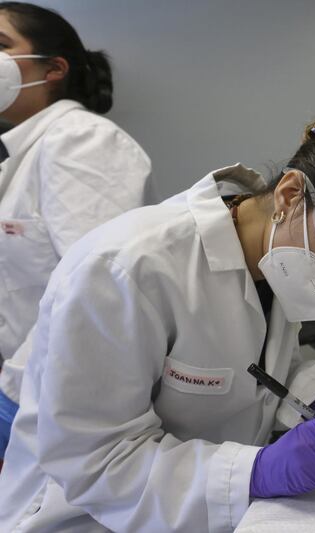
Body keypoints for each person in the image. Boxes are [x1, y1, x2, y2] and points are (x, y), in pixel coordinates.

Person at [0, 114, 315, 532]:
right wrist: (256, 473)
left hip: (198, 513)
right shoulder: (125, 270)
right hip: (84, 518)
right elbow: (96, 462)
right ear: (290, 195)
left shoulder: (279, 258)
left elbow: (252, 365)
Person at [0, 1, 152, 463]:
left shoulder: (82, 142)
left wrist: (10, 407)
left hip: (40, 402)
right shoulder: (24, 151)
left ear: (54, 69)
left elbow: (94, 288)